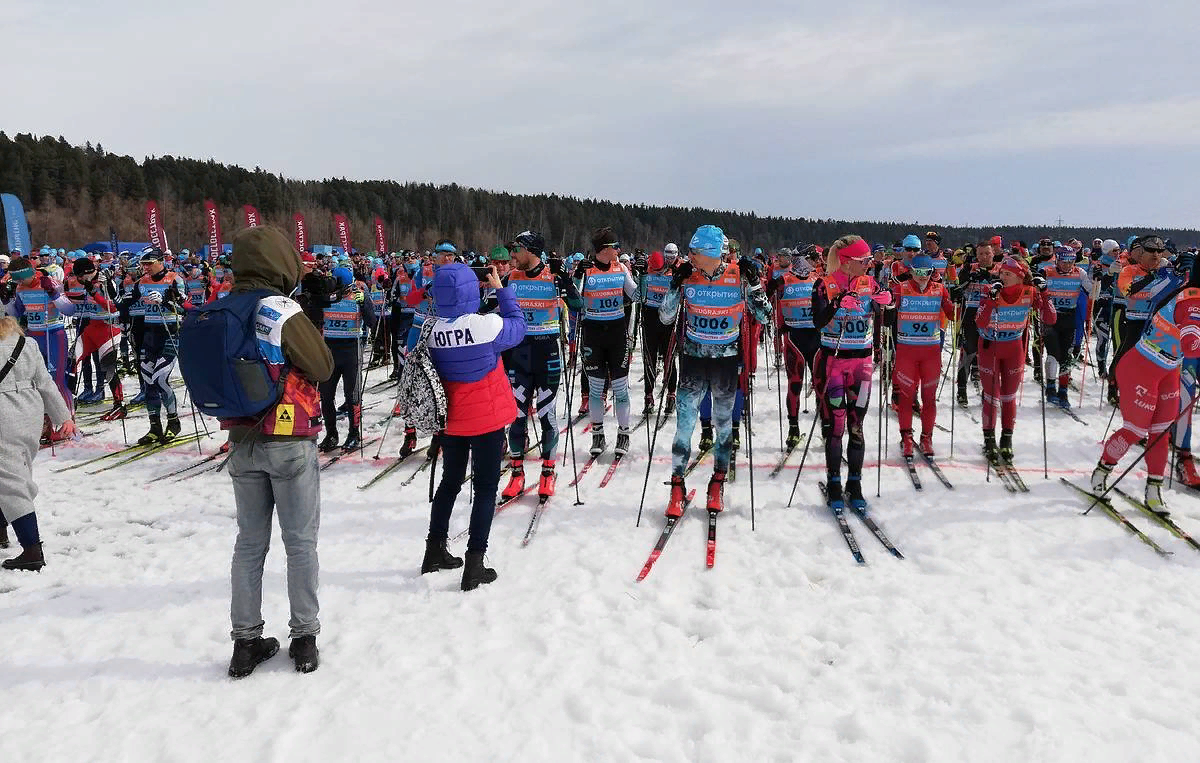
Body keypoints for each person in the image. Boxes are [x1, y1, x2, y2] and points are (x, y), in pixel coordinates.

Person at [218, 227, 334, 678]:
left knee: (249, 544)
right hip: (287, 436)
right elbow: (322, 365)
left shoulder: (220, 306)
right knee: (300, 542)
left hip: (241, 438)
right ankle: (304, 637)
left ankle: (244, 642)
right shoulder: (280, 308)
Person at [421, 261, 526, 591]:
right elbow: (518, 327)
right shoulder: (485, 326)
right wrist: (501, 289)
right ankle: (475, 562)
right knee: (484, 489)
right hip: (487, 418)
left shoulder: (432, 329)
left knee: (449, 482)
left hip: (451, 419)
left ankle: (434, 549)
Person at [658, 225, 770, 516]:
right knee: (683, 428)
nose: (690, 256)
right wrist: (673, 285)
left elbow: (765, 317)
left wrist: (756, 283)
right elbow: (666, 317)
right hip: (693, 361)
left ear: (708, 253)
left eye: (694, 251)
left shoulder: (737, 276)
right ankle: (677, 486)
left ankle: (717, 483)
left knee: (723, 427)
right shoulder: (687, 275)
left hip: (725, 363)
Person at [1092, 254, 1200, 514]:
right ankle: (1101, 472)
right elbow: (1191, 343)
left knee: (1161, 433)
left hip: (1168, 370)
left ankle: (1154, 491)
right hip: (1142, 368)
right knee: (1136, 430)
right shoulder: (1192, 299)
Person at [810, 236, 893, 510]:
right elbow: (817, 321)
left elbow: (884, 307)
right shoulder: (825, 284)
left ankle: (854, 483)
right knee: (836, 426)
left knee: (856, 426)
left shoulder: (869, 282)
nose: (869, 265)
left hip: (862, 363)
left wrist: (886, 301)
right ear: (846, 262)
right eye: (864, 261)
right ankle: (834, 481)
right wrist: (836, 305)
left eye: (869, 260)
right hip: (834, 361)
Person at [499, 231, 581, 502]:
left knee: (547, 415)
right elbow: (487, 305)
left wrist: (566, 280)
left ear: (531, 251)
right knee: (516, 417)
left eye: (516, 251)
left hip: (547, 355)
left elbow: (578, 305)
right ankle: (517, 474)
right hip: (519, 355)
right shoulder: (511, 277)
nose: (512, 256)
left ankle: (548, 472)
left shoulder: (552, 277)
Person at [0, 316, 75, 570]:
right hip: (29, 413)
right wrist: (63, 416)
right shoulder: (27, 343)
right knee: (15, 472)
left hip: (2, 416)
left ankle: (32, 550)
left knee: (9, 480)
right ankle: (1, 531)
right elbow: (45, 382)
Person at [976, 258, 1056, 463]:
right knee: (991, 396)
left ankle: (1006, 439)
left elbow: (1050, 318)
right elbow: (980, 321)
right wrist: (990, 299)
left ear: (1020, 276)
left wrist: (1045, 293)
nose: (1002, 277)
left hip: (1013, 349)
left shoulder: (1029, 292)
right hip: (989, 348)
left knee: (1009, 396)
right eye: (1001, 273)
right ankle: (989, 440)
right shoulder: (990, 289)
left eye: (1007, 274)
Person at [572, 227, 639, 456]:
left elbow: (637, 295)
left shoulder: (620, 268)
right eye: (614, 246)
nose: (618, 250)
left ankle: (623, 433)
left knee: (620, 388)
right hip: (593, 333)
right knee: (596, 388)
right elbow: (574, 299)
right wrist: (577, 276)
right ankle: (598, 434)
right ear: (604, 249)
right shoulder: (588, 270)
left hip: (617, 333)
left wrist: (646, 277)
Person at [0, 256, 76, 439]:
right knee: (36, 382)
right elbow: (17, 313)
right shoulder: (20, 287)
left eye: (20, 278)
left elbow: (69, 311)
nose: (18, 282)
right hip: (34, 336)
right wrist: (5, 300)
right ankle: (47, 424)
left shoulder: (50, 282)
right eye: (15, 279)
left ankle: (69, 422)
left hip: (53, 334)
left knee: (56, 381)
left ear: (30, 272)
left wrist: (54, 294)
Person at [891, 254, 955, 457]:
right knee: (906, 398)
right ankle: (906, 437)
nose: (922, 277)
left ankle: (927, 437)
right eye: (917, 272)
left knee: (929, 398)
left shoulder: (939, 289)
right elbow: (888, 313)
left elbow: (952, 314)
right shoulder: (901, 288)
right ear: (910, 271)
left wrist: (958, 303)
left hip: (930, 352)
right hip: (906, 351)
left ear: (932, 273)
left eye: (926, 273)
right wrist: (885, 305)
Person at [125, 248, 187, 444]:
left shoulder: (174, 279)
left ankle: (173, 422)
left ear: (161, 261)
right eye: (144, 264)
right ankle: (154, 427)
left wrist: (166, 300)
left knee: (160, 379)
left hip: (170, 333)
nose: (146, 268)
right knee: (147, 381)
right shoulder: (141, 282)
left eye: (149, 263)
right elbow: (126, 302)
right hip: (149, 335)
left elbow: (184, 308)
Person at [317, 266, 376, 453]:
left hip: (351, 349)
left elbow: (372, 322)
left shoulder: (357, 295)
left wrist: (364, 303)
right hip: (330, 349)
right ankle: (331, 434)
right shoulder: (327, 296)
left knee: (352, 395)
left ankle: (353, 434)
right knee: (326, 395)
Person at [1038, 246, 1093, 408]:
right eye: (1064, 261)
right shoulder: (1046, 272)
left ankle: (1063, 391)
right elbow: (1034, 290)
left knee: (1066, 356)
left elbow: (1094, 293)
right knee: (1053, 353)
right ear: (1057, 259)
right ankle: (1050, 388)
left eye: (1071, 261)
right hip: (1050, 318)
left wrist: (1099, 278)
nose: (1068, 265)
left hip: (1069, 317)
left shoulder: (1080, 273)